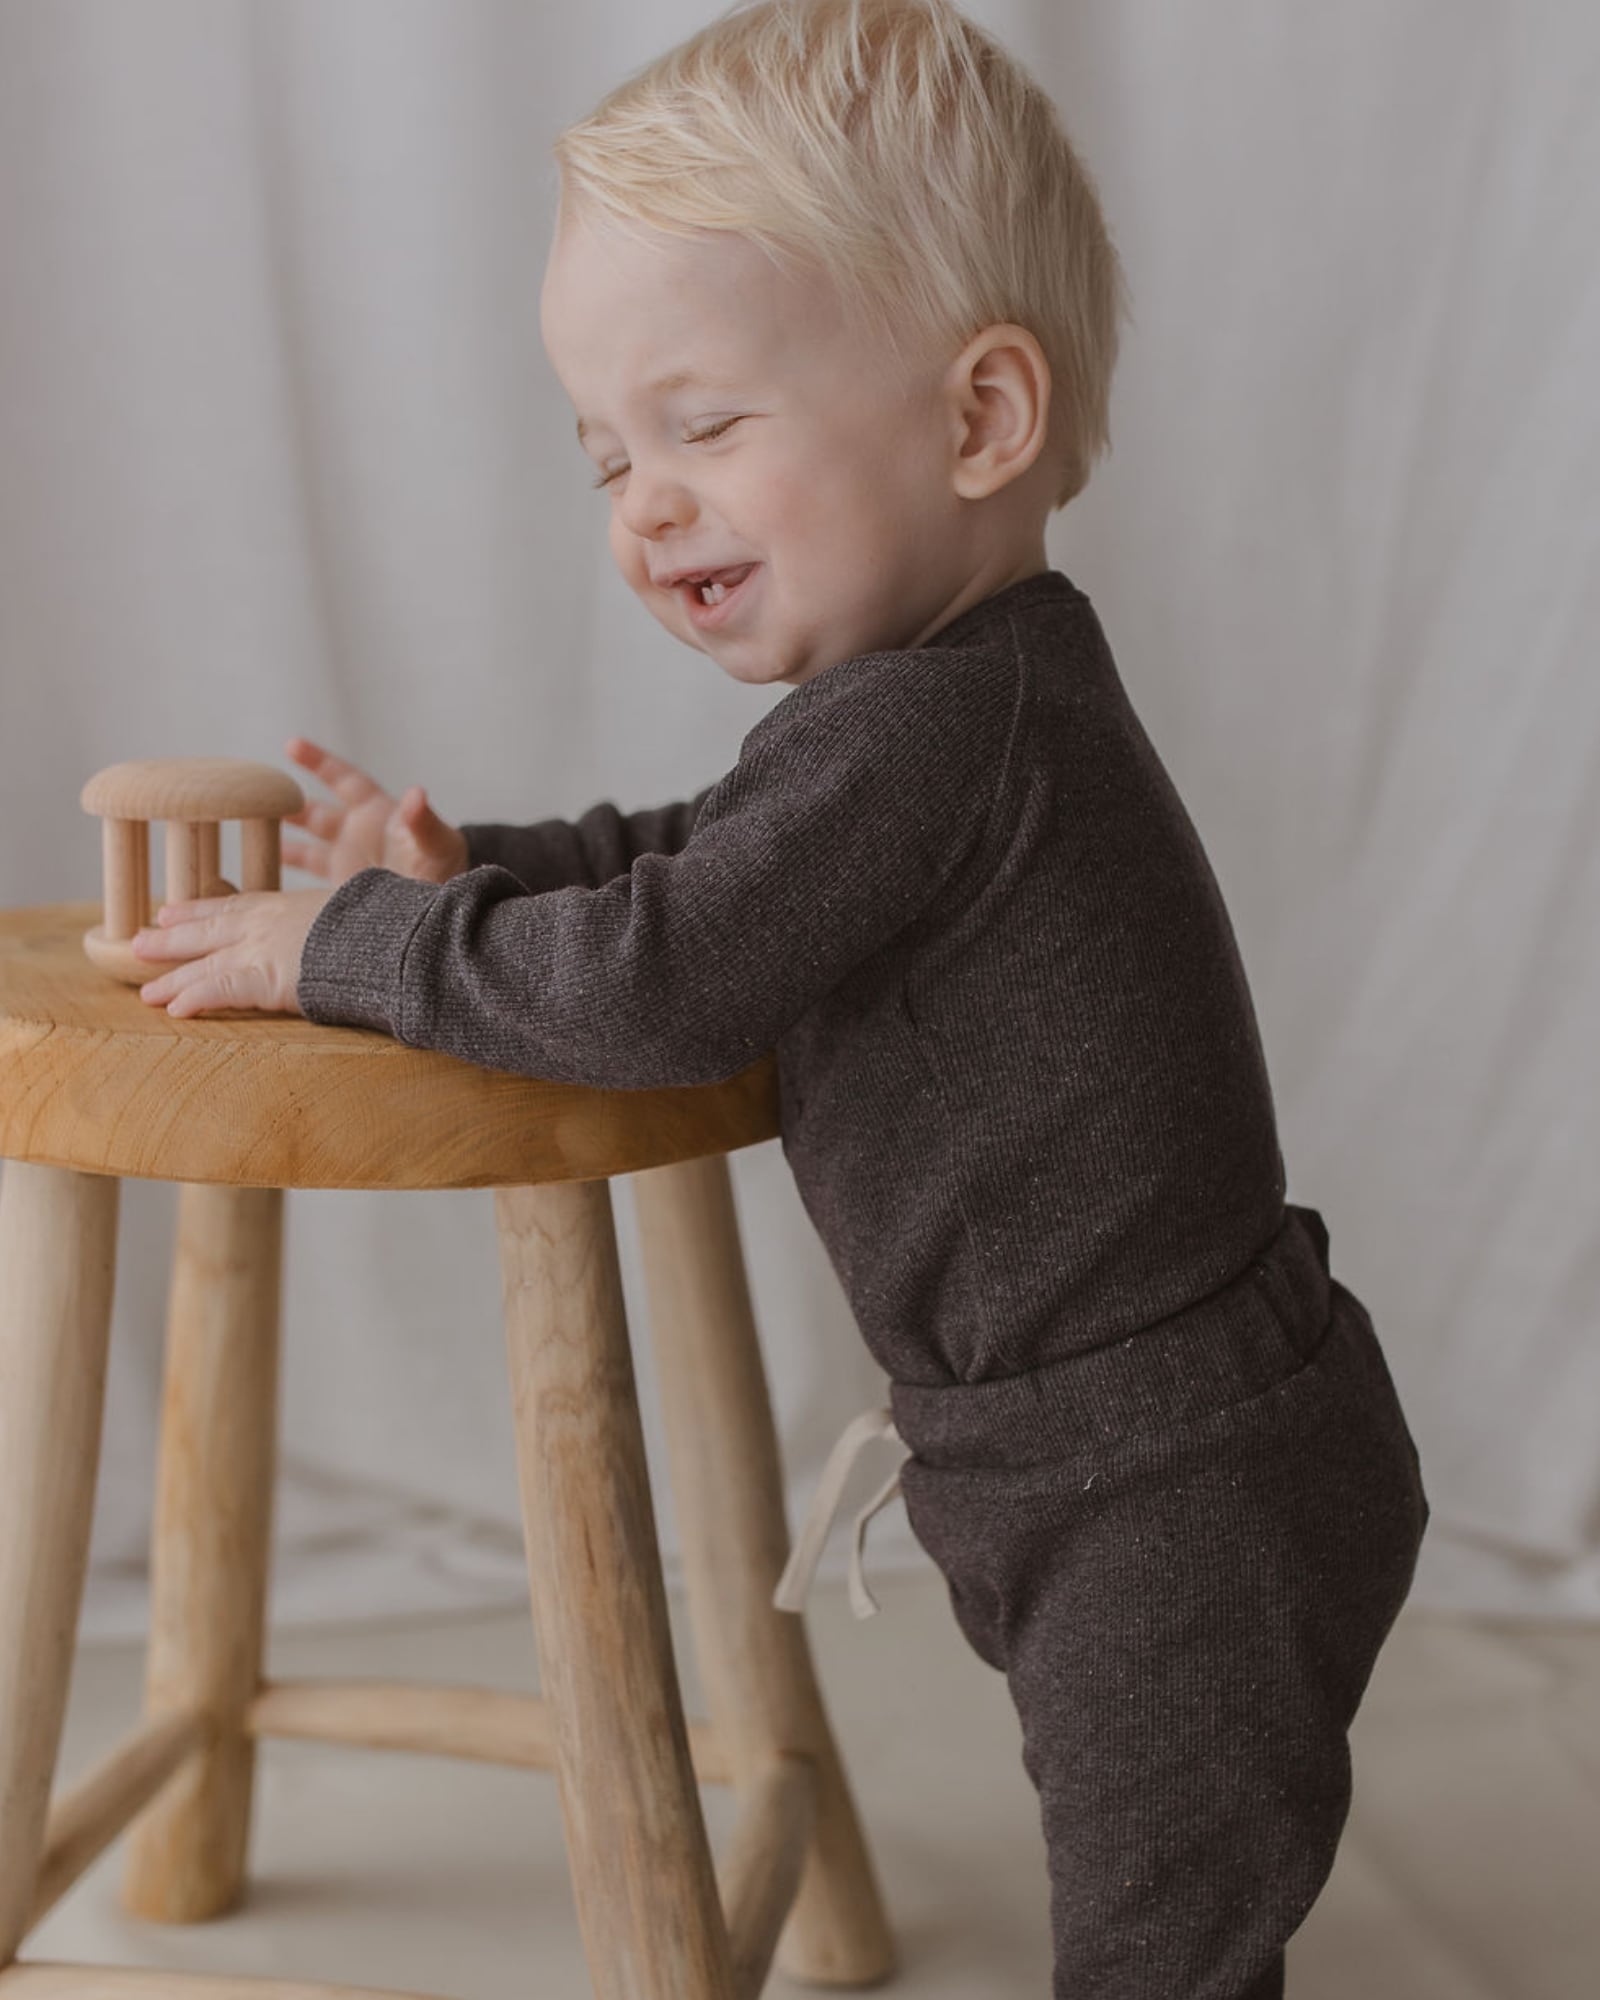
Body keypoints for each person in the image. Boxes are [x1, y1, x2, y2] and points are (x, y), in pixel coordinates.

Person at [131, 3, 1428, 1993]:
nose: (641, 504)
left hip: (1169, 1483)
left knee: (1161, 1947)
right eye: (605, 455)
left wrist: (351, 946)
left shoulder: (935, 725)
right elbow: (700, 861)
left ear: (978, 420)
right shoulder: (937, 709)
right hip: (1128, 1441)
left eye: (705, 425)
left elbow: (660, 974)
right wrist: (472, 864)